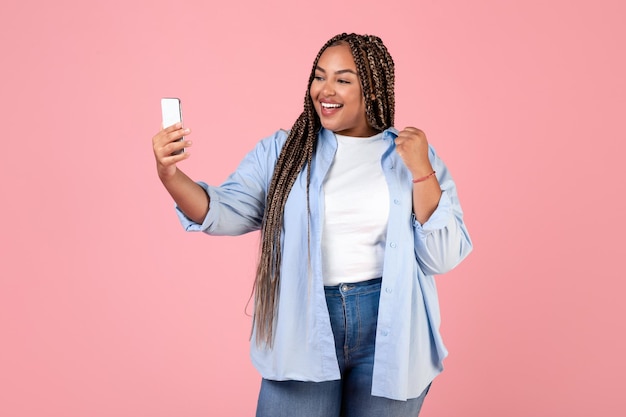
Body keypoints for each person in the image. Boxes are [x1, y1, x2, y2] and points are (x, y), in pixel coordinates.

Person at [152, 33, 472, 417]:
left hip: (391, 326)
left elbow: (442, 256)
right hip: (303, 322)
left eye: (342, 79)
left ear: (371, 89)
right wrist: (169, 175)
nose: (325, 89)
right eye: (319, 76)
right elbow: (221, 210)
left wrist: (422, 171)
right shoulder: (284, 152)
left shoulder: (412, 155)